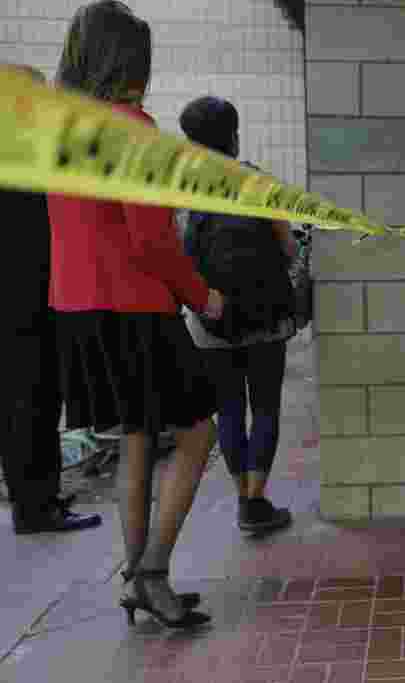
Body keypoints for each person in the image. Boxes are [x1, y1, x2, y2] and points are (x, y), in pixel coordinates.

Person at [49, 1, 223, 628]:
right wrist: (203, 295)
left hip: (78, 309)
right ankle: (151, 571)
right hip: (134, 307)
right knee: (200, 430)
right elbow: (152, 241)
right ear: (130, 61)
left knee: (137, 437)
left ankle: (138, 576)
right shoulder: (131, 130)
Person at [178, 95, 296, 534]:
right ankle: (255, 500)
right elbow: (287, 247)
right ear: (234, 134)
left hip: (212, 320)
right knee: (265, 408)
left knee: (229, 410)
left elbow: (179, 257)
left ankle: (239, 499)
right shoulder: (258, 181)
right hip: (267, 318)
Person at [0, 63, 102, 535]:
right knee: (33, 401)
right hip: (30, 300)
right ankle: (37, 506)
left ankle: (34, 499)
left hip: (23, 297)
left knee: (23, 403)